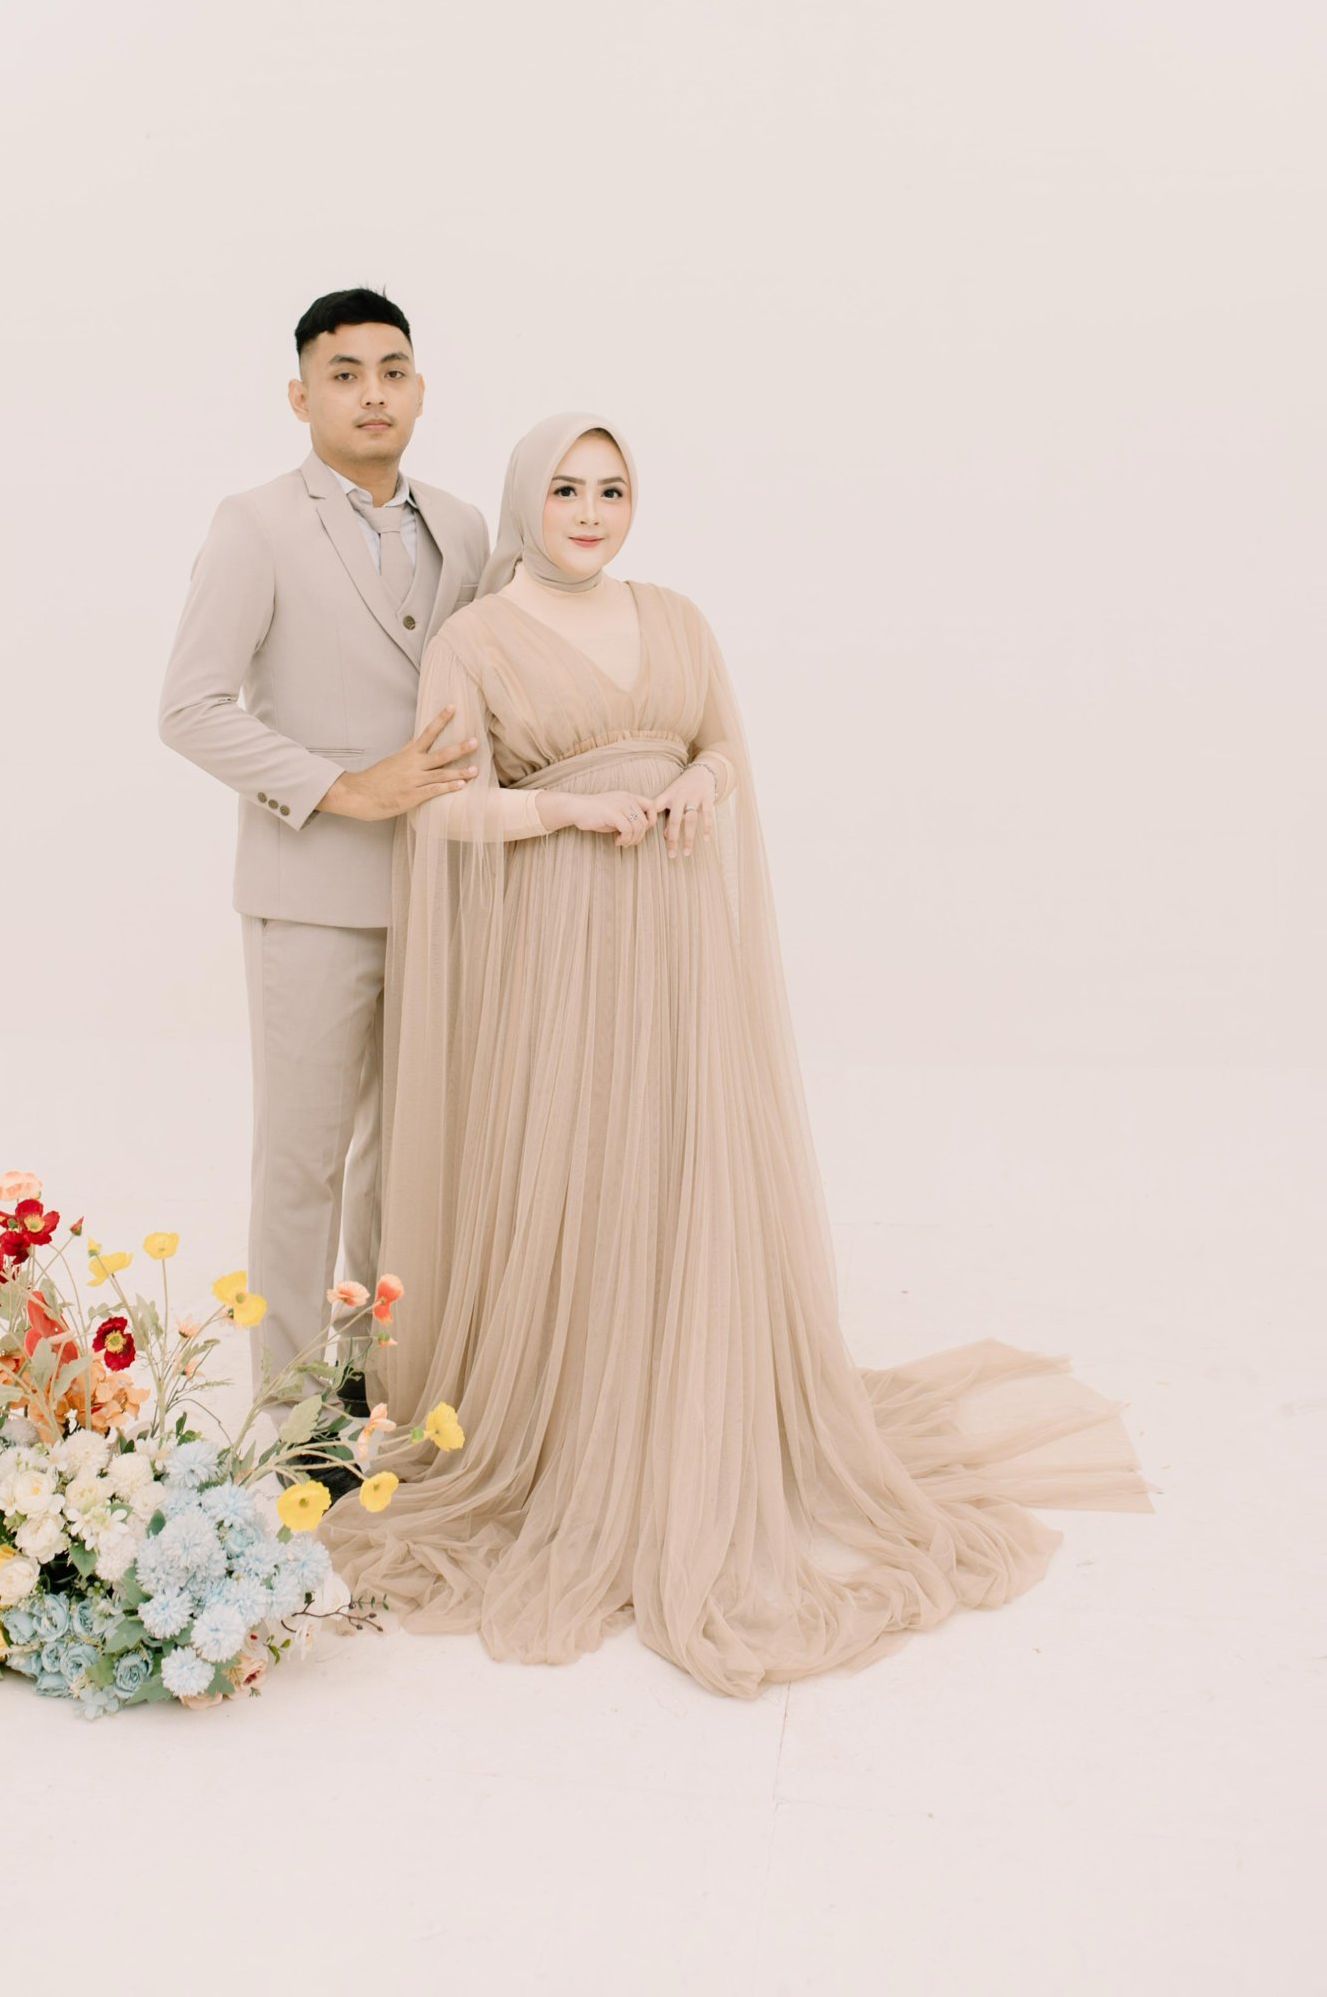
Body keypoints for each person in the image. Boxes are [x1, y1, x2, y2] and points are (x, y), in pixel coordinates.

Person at [319, 409, 1156, 1700]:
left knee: (684, 1150)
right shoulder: (475, 639)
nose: (590, 512)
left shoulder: (678, 618)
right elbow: (446, 811)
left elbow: (723, 745)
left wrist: (702, 782)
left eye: (611, 489)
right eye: (566, 488)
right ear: (526, 498)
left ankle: (693, 1392)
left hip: (677, 925)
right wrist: (567, 806)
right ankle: (582, 1414)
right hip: (563, 934)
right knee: (586, 1157)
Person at [156, 288, 491, 1418]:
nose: (371, 393)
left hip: (441, 888)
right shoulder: (254, 524)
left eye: (392, 371)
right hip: (307, 892)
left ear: (420, 389)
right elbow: (190, 707)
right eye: (343, 375)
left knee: (408, 1159)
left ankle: (372, 1372)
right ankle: (292, 1411)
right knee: (302, 1158)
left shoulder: (463, 527)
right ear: (301, 397)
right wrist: (343, 788)